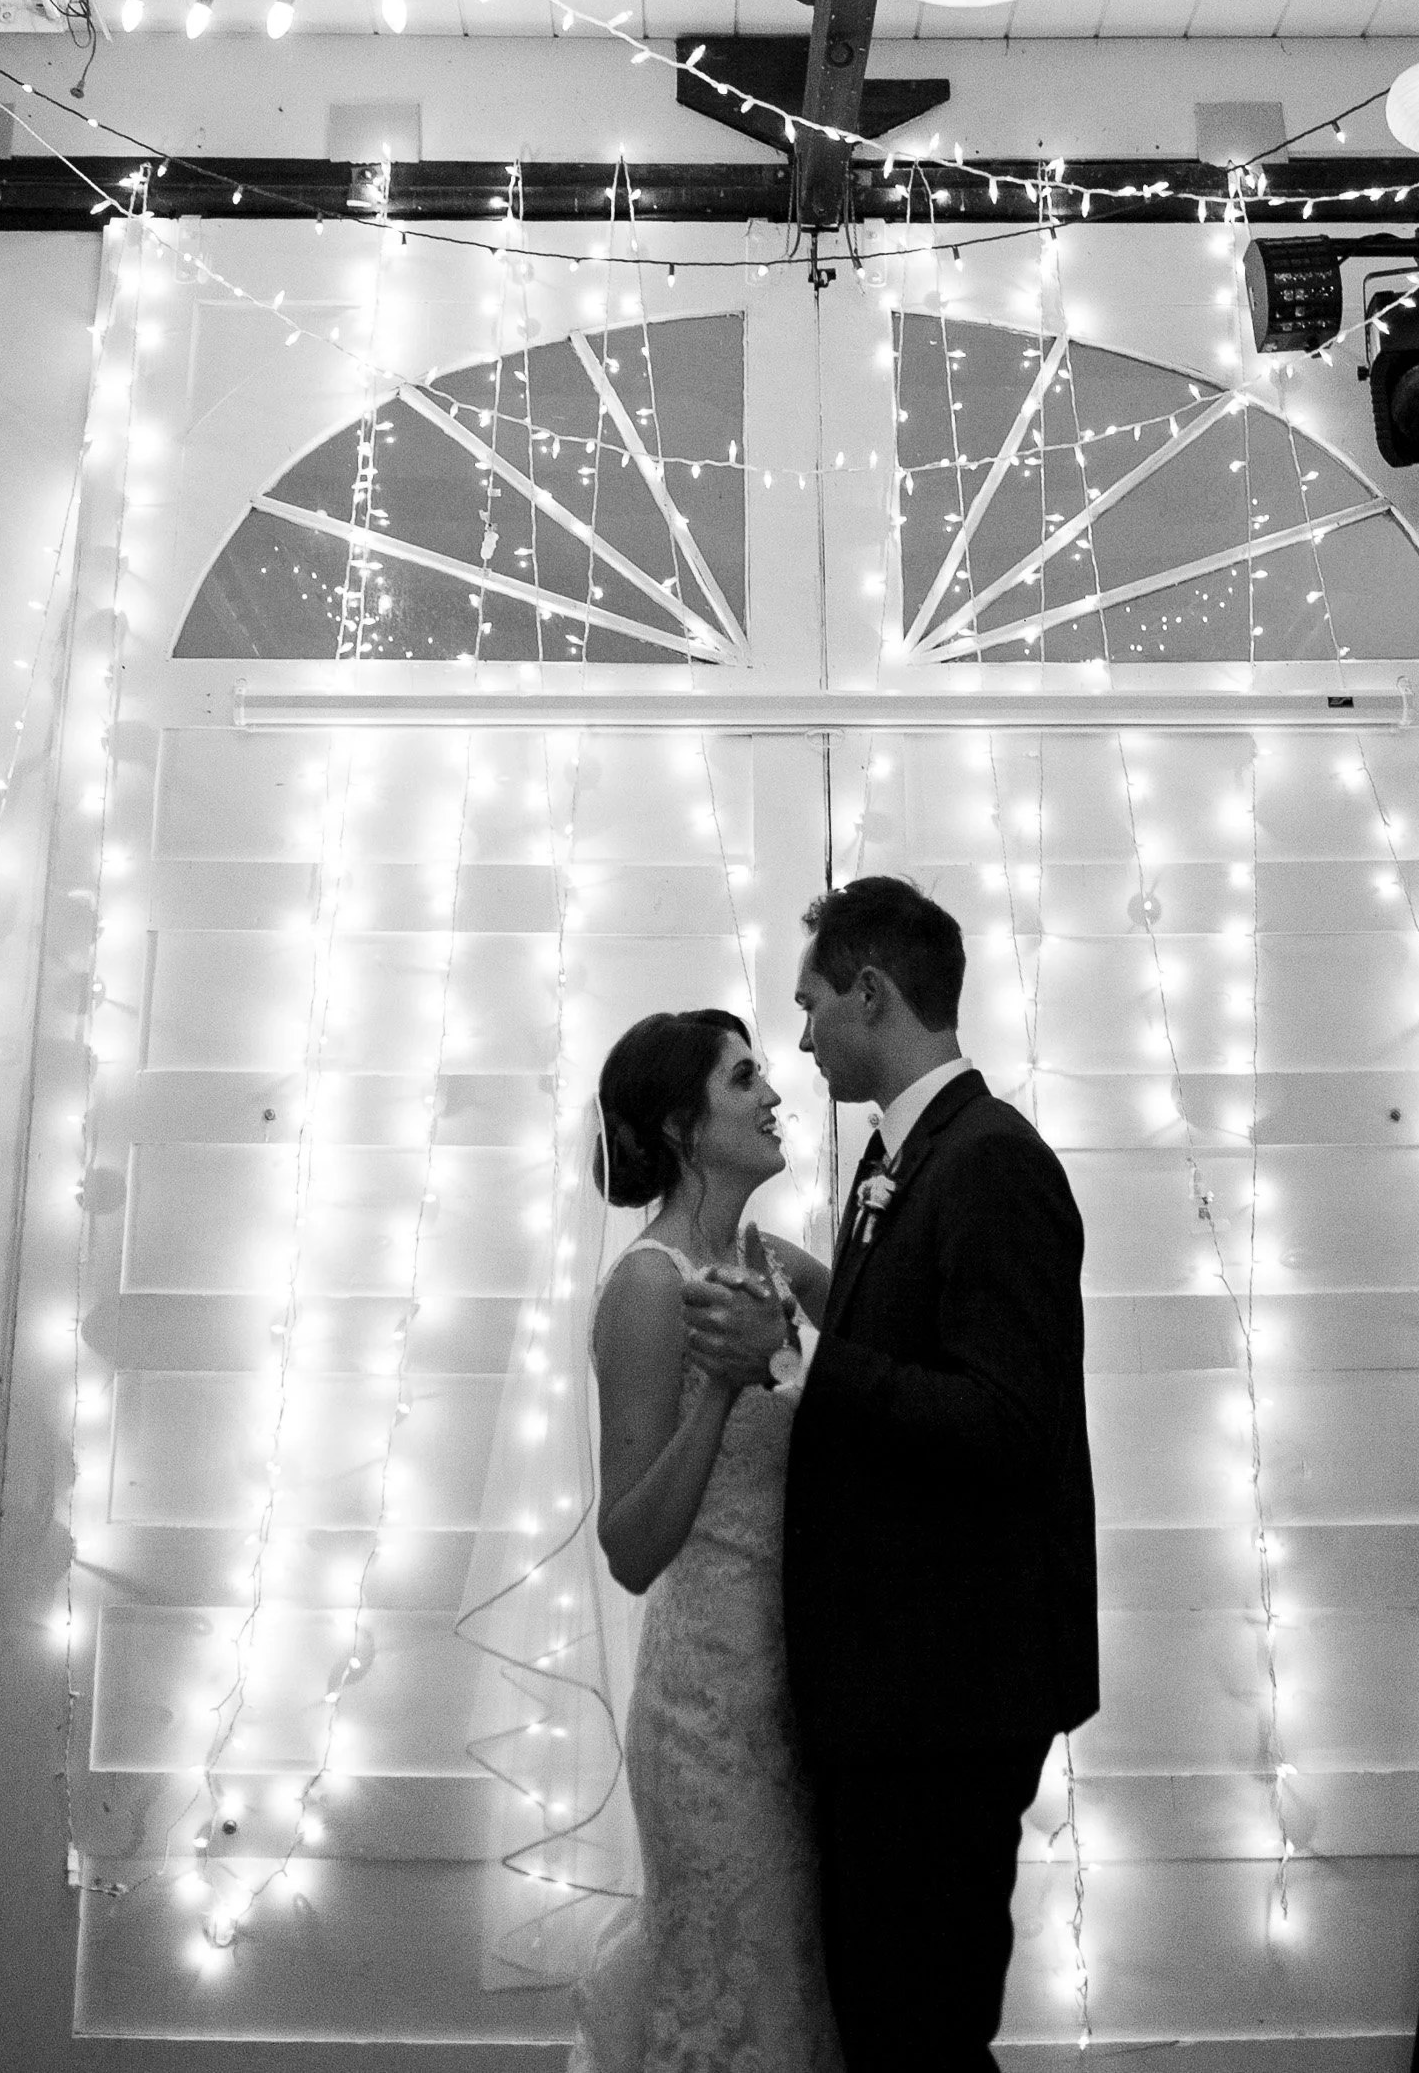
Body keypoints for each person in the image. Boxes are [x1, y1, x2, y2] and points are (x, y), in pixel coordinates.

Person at [682, 878, 1101, 2073]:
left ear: (873, 990)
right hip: (899, 1689)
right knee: (886, 2013)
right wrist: (827, 1292)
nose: (801, 1038)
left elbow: (1005, 1420)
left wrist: (803, 1364)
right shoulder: (912, 1155)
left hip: (947, 1694)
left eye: (811, 1004)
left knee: (917, 2028)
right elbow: (926, 1350)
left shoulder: (990, 1163)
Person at [573, 1007, 843, 2073]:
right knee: (731, 1987)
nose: (774, 1092)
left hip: (799, 1691)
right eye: (745, 1078)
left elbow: (890, 1338)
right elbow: (631, 1544)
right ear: (685, 1125)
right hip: (706, 1710)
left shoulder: (766, 1258)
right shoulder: (649, 1285)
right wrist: (723, 1391)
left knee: (799, 1990)